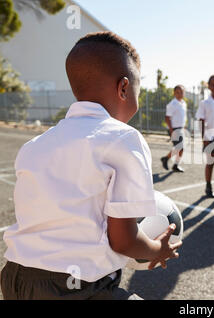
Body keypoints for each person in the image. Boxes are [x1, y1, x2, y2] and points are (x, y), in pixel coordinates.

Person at [0, 32, 182, 300]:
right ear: (123, 88)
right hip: (73, 288)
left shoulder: (35, 145)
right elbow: (123, 240)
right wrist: (158, 249)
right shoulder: (124, 138)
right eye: (137, 90)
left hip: (15, 279)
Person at [161, 85, 187, 173]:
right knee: (179, 147)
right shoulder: (172, 104)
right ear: (174, 93)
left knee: (180, 148)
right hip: (174, 129)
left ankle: (173, 163)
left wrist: (183, 127)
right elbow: (167, 118)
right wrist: (172, 130)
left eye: (182, 92)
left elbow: (181, 117)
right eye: (178, 92)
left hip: (180, 128)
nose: (180, 94)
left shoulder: (183, 103)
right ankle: (167, 159)